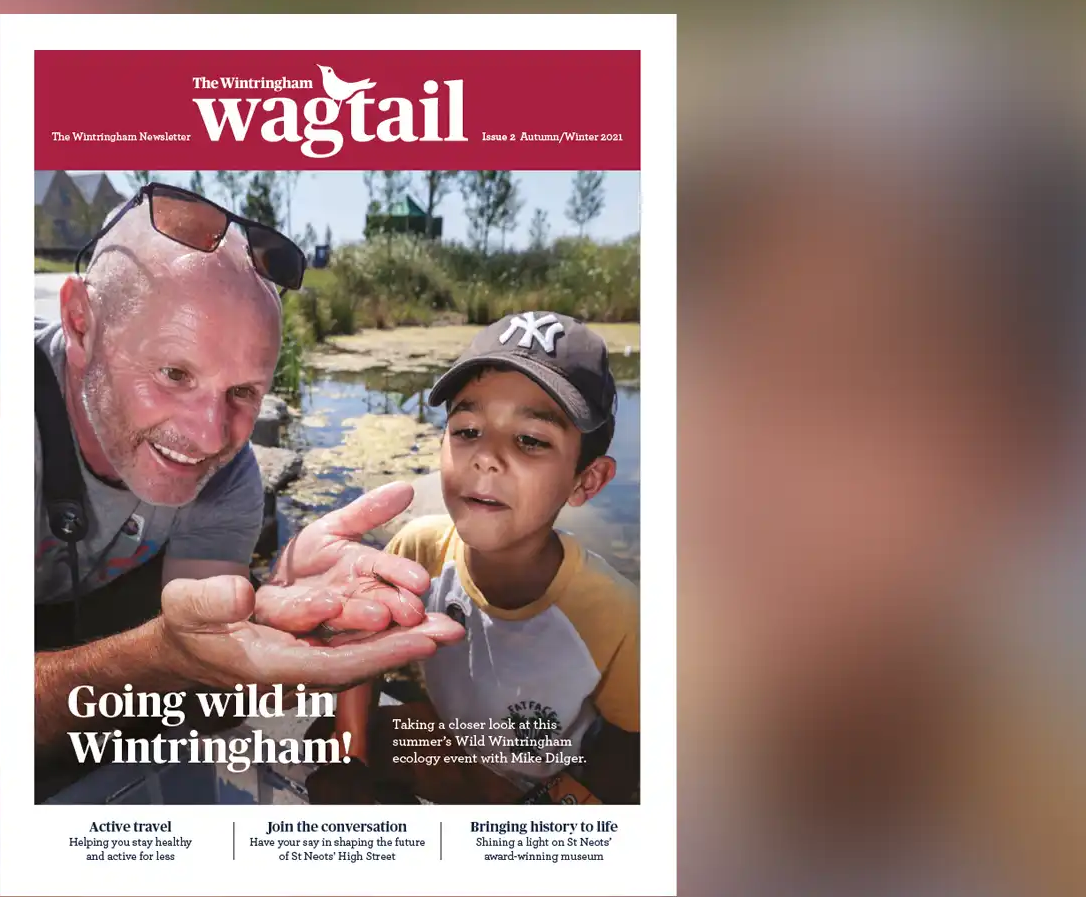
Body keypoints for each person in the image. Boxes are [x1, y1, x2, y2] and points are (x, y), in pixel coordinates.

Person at [33, 183, 462, 798]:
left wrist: (261, 606)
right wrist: (159, 655)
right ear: (81, 324)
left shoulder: (228, 476)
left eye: (243, 393)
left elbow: (200, 630)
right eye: (175, 373)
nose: (210, 436)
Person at [322, 311, 640, 804]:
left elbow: (633, 750)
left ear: (587, 480)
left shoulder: (617, 616)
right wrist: (353, 758)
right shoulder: (417, 551)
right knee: (329, 738)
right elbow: (362, 655)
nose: (485, 457)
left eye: (531, 440)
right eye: (467, 430)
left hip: (545, 792)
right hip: (451, 746)